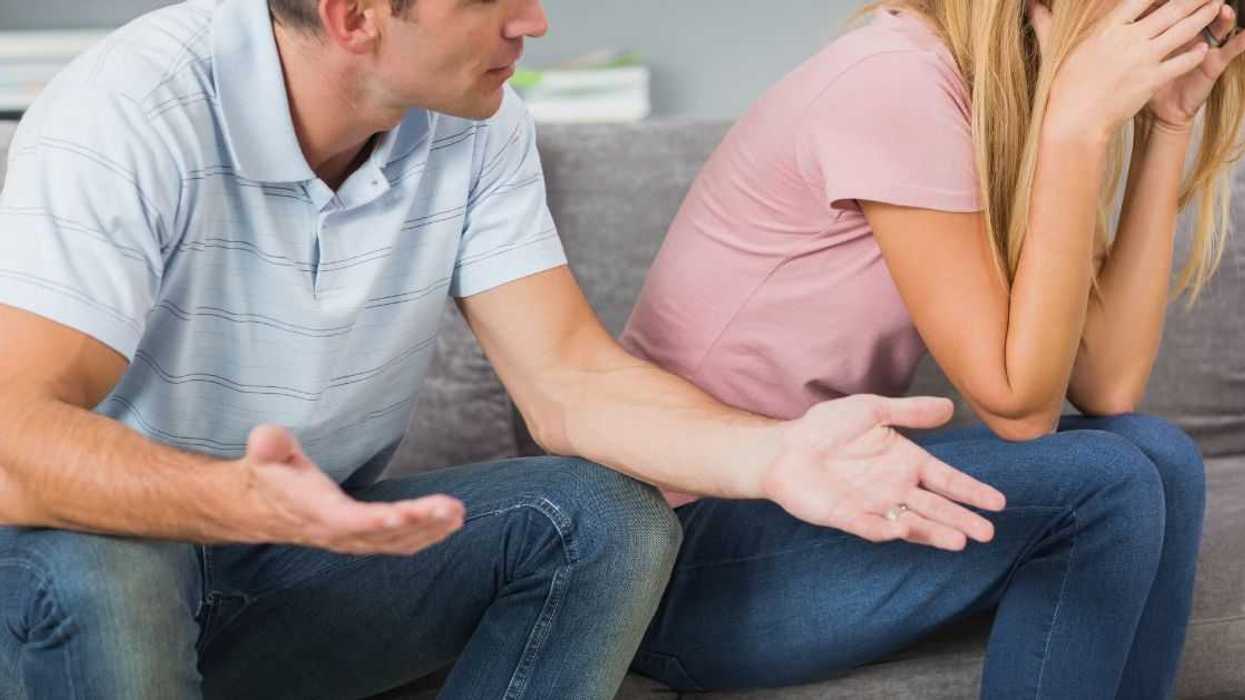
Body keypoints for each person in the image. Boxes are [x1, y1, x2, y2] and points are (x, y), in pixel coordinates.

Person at [0, 0, 1008, 698]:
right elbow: (13, 439)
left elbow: (569, 380)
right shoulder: (132, 110)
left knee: (603, 515)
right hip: (86, 573)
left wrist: (774, 453)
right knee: (107, 572)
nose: (534, 20)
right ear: (355, 17)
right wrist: (234, 500)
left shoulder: (473, 126)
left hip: (295, 565)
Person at [621, 0, 1245, 697]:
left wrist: (1167, 122)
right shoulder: (897, 82)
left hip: (814, 493)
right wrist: (1074, 130)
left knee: (1161, 455)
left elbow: (1108, 384)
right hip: (678, 554)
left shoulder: (1008, 104)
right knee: (1109, 479)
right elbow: (1019, 407)